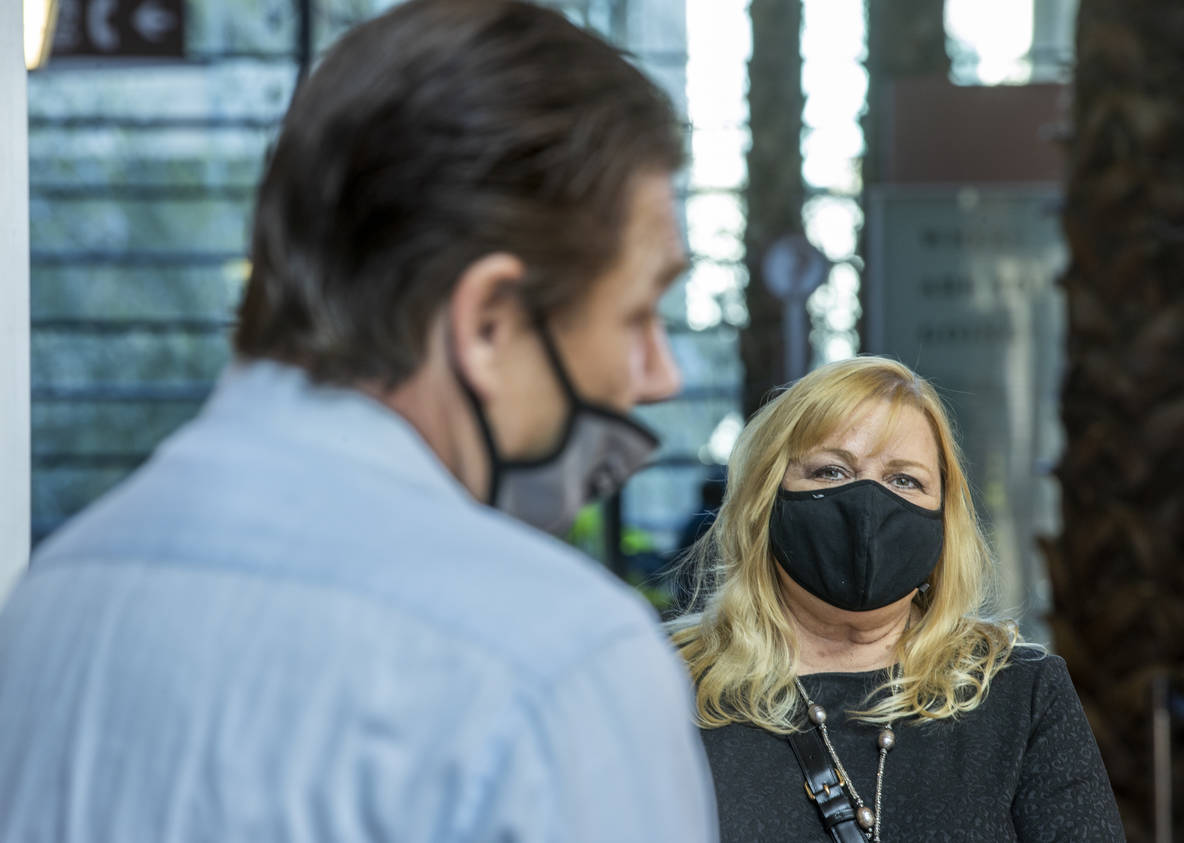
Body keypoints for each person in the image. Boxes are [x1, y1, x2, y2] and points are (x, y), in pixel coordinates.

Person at [0, 2, 717, 841]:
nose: (660, 374)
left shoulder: (50, 600)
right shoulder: (557, 662)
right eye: (639, 312)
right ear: (487, 321)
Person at [669, 356, 1123, 841]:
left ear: (944, 519)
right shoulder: (670, 685)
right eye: (831, 471)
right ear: (765, 500)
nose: (868, 504)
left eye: (904, 479)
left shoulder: (1020, 695)